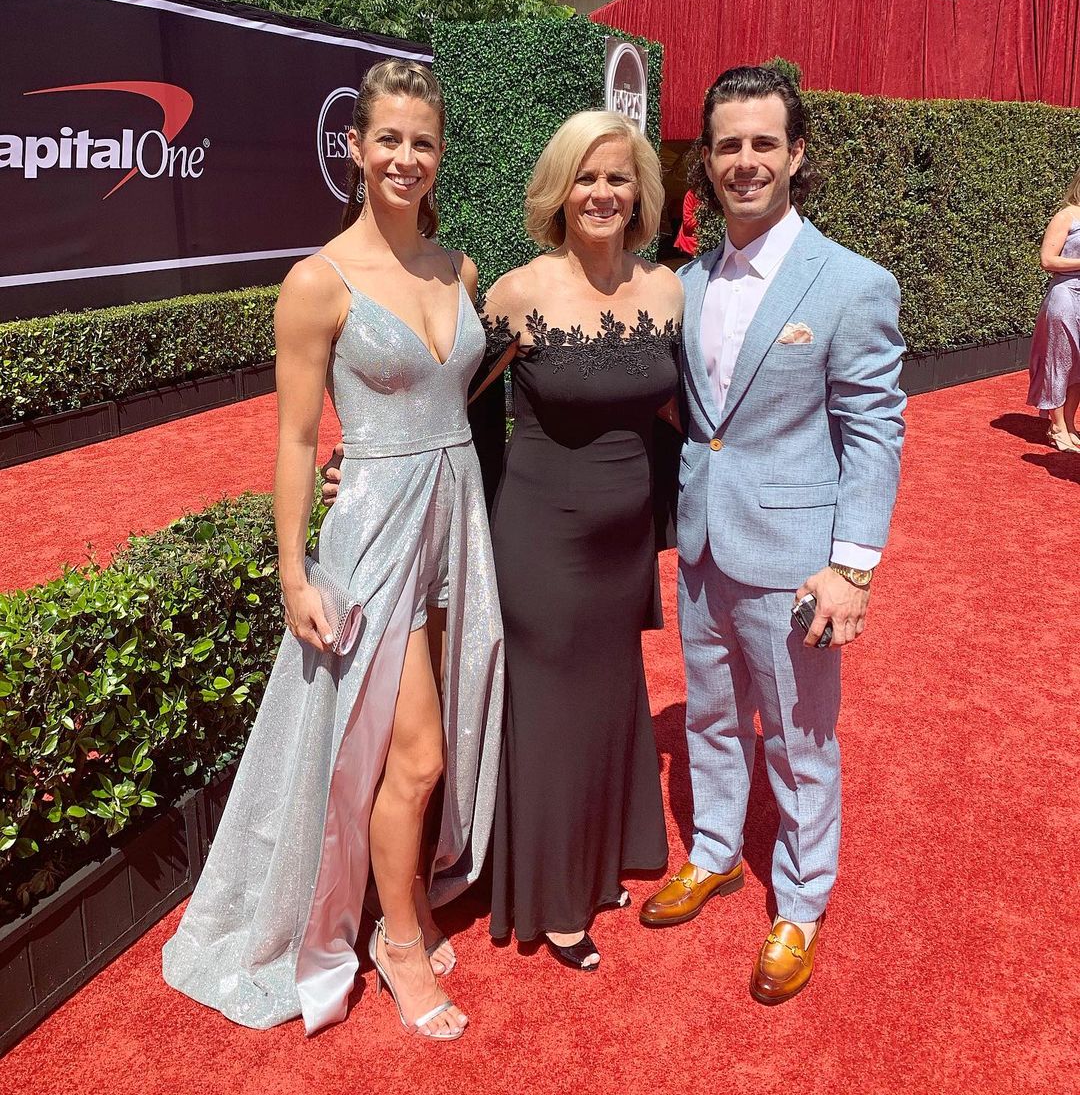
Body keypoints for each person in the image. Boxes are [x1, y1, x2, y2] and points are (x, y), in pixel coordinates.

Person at [162, 60, 504, 1041]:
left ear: (440, 157)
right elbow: (298, 440)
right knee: (416, 752)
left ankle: (406, 905)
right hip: (376, 537)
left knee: (425, 740)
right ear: (355, 149)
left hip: (458, 524)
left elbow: (456, 394)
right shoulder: (318, 283)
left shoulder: (458, 269)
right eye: (387, 138)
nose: (405, 157)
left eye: (423, 142)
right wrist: (291, 568)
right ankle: (396, 941)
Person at [639, 66, 906, 1006]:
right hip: (704, 544)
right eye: (727, 147)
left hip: (797, 562)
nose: (744, 163)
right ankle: (714, 851)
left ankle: (798, 902)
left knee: (800, 739)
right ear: (704, 164)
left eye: (763, 144)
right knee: (709, 715)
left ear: (797, 155)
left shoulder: (853, 284)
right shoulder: (686, 281)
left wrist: (851, 567)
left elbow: (875, 429)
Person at [479, 110, 681, 970]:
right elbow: (457, 410)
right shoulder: (518, 291)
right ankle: (554, 900)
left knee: (605, 702)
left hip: (624, 542)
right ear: (559, 191)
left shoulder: (669, 288)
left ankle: (599, 863)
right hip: (541, 538)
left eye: (618, 177)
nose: (602, 193)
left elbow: (686, 416)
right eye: (585, 178)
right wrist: (366, 470)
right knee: (555, 716)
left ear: (643, 191)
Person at [1027, 168, 1080, 451]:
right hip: (1066, 297)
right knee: (1060, 361)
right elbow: (1048, 260)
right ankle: (1056, 425)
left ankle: (1070, 424)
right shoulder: (1066, 216)